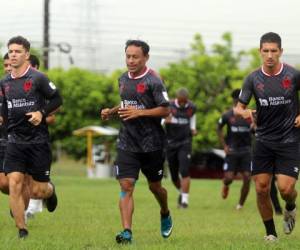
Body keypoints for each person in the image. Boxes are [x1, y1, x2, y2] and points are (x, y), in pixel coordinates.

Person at [101, 39, 173, 244]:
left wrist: (140, 113)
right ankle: (127, 233)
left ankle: (165, 212)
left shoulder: (154, 80)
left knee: (155, 187)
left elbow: (166, 109)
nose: (130, 60)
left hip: (152, 144)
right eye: (128, 56)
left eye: (135, 57)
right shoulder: (123, 79)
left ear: (146, 58)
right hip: (127, 143)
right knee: (126, 185)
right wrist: (112, 111)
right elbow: (127, 103)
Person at [235, 32, 300, 241]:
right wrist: (243, 112)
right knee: (262, 189)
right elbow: (239, 107)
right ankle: (271, 234)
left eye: (274, 51)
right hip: (263, 141)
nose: (270, 55)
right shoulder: (253, 79)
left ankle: (290, 207)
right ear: (260, 52)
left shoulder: (293, 75)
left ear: (281, 51)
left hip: (289, 140)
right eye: (266, 51)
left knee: (286, 189)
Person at [0, 36, 63, 238]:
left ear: (27, 54)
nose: (13, 55)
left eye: (18, 51)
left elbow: (57, 99)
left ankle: (50, 192)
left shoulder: (38, 78)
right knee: (15, 182)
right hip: (15, 141)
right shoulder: (4, 83)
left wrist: (41, 114)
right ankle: (22, 230)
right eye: (11, 51)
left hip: (38, 142)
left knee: (37, 190)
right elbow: (4, 107)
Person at [25, 54, 56, 219]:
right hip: (16, 138)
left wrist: (39, 117)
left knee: (36, 181)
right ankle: (24, 208)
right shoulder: (12, 84)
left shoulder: (42, 86)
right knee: (20, 175)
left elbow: (52, 116)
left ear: (35, 67)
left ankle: (36, 204)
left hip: (38, 139)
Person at [217, 89, 252, 210]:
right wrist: (224, 146)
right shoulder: (227, 115)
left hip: (246, 151)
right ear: (234, 101)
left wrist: (255, 126)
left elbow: (256, 129)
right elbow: (218, 128)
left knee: (247, 177)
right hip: (232, 150)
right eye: (237, 100)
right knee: (229, 178)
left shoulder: (250, 115)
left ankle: (240, 205)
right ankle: (226, 185)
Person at [164, 87, 196, 208]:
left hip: (185, 143)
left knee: (184, 171)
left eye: (185, 101)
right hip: (171, 143)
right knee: (173, 176)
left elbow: (193, 117)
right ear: (177, 99)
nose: (183, 104)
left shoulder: (192, 107)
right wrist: (164, 121)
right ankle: (182, 193)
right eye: (181, 101)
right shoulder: (169, 106)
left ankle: (185, 201)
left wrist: (193, 128)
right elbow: (161, 120)